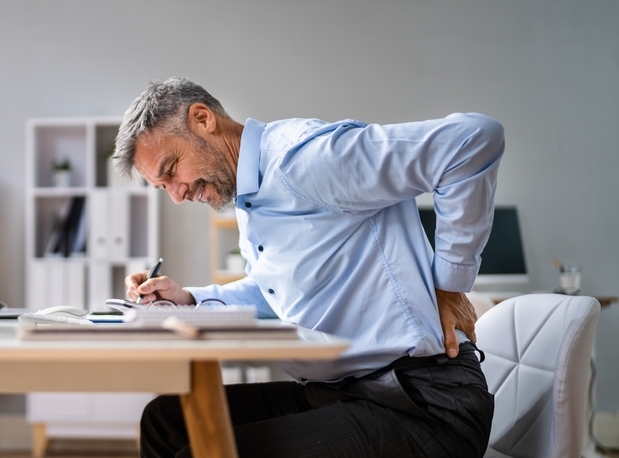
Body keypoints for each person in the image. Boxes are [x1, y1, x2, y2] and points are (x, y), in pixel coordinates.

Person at [113, 77, 502, 457]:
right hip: (340, 393)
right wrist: (188, 298)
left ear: (202, 119)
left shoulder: (305, 160)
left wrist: (451, 284)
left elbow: (472, 141)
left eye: (171, 169)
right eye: (163, 187)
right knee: (165, 421)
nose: (177, 195)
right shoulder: (251, 197)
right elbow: (274, 293)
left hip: (423, 405)